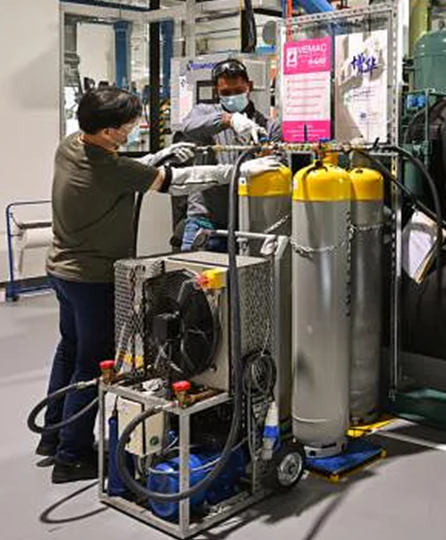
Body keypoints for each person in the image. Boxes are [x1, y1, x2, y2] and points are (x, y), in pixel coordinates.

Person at [40, 86, 281, 483]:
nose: (134, 128)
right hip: (92, 277)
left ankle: (52, 437)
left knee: (69, 349)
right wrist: (239, 170)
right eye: (129, 125)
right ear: (108, 132)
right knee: (91, 360)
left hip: (61, 271)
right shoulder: (111, 168)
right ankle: (71, 456)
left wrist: (156, 157)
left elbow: (127, 174)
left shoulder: (69, 146)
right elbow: (177, 182)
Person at [177, 59, 282, 251]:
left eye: (238, 91)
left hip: (250, 220)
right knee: (194, 277)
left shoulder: (269, 126)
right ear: (216, 91)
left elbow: (277, 169)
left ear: (249, 86)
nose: (232, 96)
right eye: (225, 93)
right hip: (205, 219)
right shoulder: (203, 112)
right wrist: (229, 120)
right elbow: (187, 126)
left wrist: (263, 153)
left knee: (244, 279)